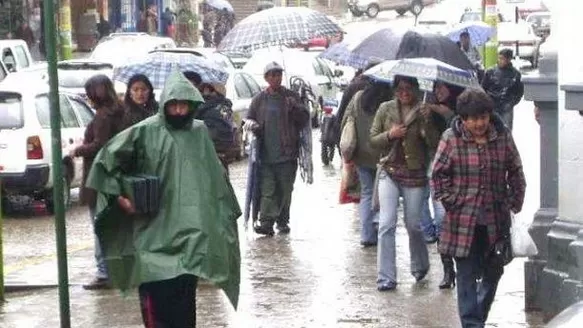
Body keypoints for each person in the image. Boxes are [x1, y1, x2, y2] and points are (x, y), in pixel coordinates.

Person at [86, 69, 241, 327]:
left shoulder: (199, 133)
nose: (180, 111)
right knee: (157, 311)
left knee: (184, 310)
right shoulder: (144, 131)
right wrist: (123, 195)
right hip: (153, 238)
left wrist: (221, 218)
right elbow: (106, 163)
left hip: (191, 240)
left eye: (185, 105)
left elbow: (215, 179)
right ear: (165, 104)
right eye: (174, 105)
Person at [431, 89, 526, 328]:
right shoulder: (450, 138)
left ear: (489, 115)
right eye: (472, 119)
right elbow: (438, 175)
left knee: (494, 272)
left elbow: (515, 170)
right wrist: (451, 201)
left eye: (482, 117)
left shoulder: (502, 136)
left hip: (496, 220)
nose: (478, 124)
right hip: (463, 222)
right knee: (465, 275)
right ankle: (472, 324)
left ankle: (478, 315)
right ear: (463, 119)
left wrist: (514, 201)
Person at [369, 76, 441, 291]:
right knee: (386, 223)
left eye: (409, 88)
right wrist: (390, 135)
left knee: (413, 224)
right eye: (400, 89)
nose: (404, 93)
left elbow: (434, 144)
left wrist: (427, 122)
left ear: (416, 90)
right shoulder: (385, 109)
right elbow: (372, 140)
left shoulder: (423, 111)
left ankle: (420, 266)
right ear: (395, 91)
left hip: (415, 175)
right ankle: (386, 277)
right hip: (388, 171)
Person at [70, 75, 125, 290]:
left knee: (100, 225)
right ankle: (114, 269)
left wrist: (77, 150)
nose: (87, 97)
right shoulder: (119, 112)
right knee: (111, 225)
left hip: (99, 176)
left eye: (88, 92)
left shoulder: (103, 116)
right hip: (114, 176)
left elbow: (100, 145)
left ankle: (104, 272)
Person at [244, 62, 310, 236]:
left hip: (287, 155)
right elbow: (248, 120)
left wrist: (294, 108)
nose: (276, 78)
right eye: (272, 75)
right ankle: (266, 222)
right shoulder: (259, 100)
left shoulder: (291, 97)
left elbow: (304, 119)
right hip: (265, 155)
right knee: (268, 189)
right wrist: (254, 126)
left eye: (278, 75)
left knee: (285, 189)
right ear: (266, 78)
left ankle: (282, 219)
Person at [420, 81, 464, 289]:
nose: (438, 91)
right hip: (438, 172)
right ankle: (448, 271)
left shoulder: (462, 109)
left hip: (463, 176)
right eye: (435, 88)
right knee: (442, 221)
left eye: (442, 87)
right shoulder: (429, 111)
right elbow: (430, 142)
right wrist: (427, 119)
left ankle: (466, 268)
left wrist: (445, 112)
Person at [340, 80, 392, 247]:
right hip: (383, 155)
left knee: (367, 193)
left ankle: (366, 234)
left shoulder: (358, 98)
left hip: (362, 155)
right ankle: (380, 228)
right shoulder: (388, 100)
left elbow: (345, 121)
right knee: (384, 194)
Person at [481, 49, 524, 131]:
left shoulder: (515, 74)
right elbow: (483, 88)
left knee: (506, 130)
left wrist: (512, 103)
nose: (500, 61)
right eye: (499, 58)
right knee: (490, 129)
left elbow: (519, 92)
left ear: (509, 59)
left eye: (503, 59)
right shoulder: (490, 72)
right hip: (492, 105)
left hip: (506, 106)